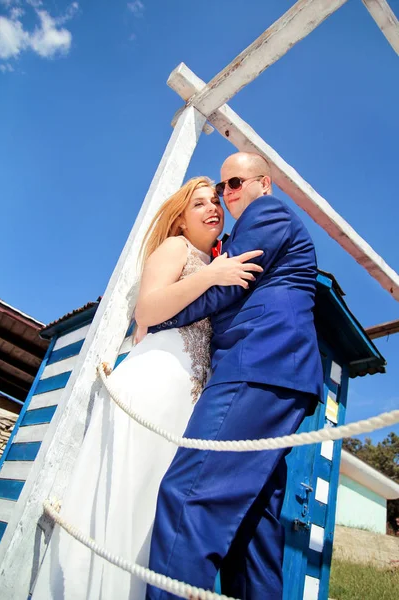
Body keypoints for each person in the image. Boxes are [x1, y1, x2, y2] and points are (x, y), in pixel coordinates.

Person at [31, 176, 262, 600]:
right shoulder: (177, 249)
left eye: (217, 201)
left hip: (187, 400)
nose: (214, 208)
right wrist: (211, 275)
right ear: (179, 220)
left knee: (150, 513)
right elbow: (148, 308)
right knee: (125, 499)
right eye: (200, 204)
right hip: (154, 381)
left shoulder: (218, 260)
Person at [146, 153, 324, 600]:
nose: (228, 194)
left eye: (236, 182)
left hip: (258, 363)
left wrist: (161, 317)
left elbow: (228, 286)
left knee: (188, 494)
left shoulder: (269, 211)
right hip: (279, 373)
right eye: (224, 187)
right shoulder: (230, 236)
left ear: (265, 183)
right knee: (254, 522)